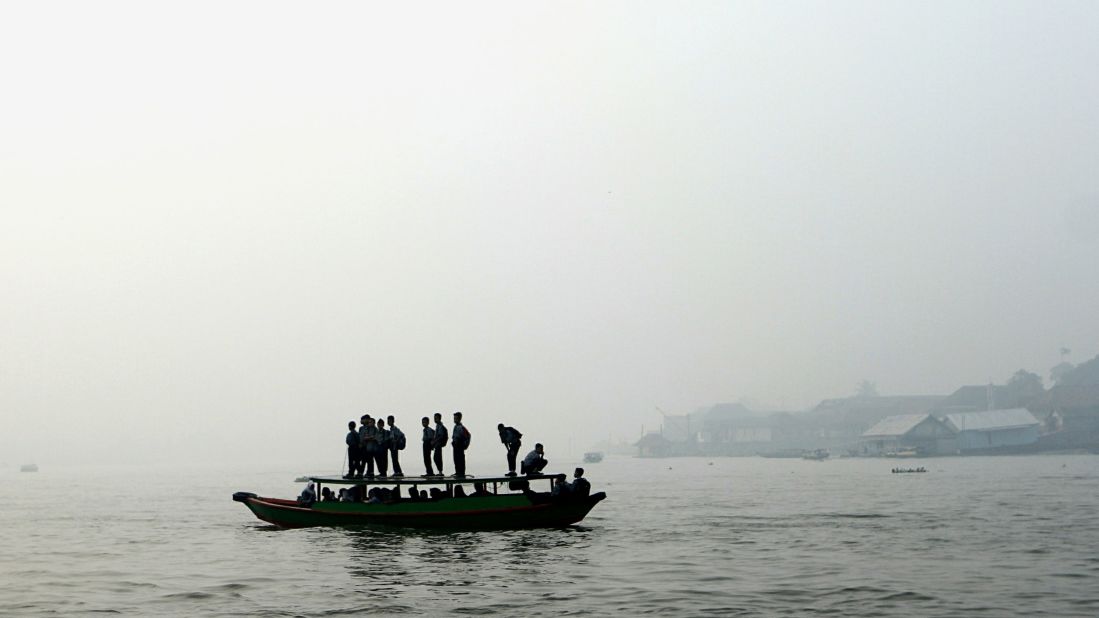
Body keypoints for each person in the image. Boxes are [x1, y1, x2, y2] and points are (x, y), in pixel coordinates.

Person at [451, 411, 471, 477]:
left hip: (460, 444)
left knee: (460, 459)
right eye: (454, 418)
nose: (454, 420)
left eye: (456, 418)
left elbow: (468, 435)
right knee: (455, 459)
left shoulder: (461, 427)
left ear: (459, 419)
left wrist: (465, 445)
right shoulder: (455, 427)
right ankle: (457, 472)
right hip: (455, 445)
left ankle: (461, 472)